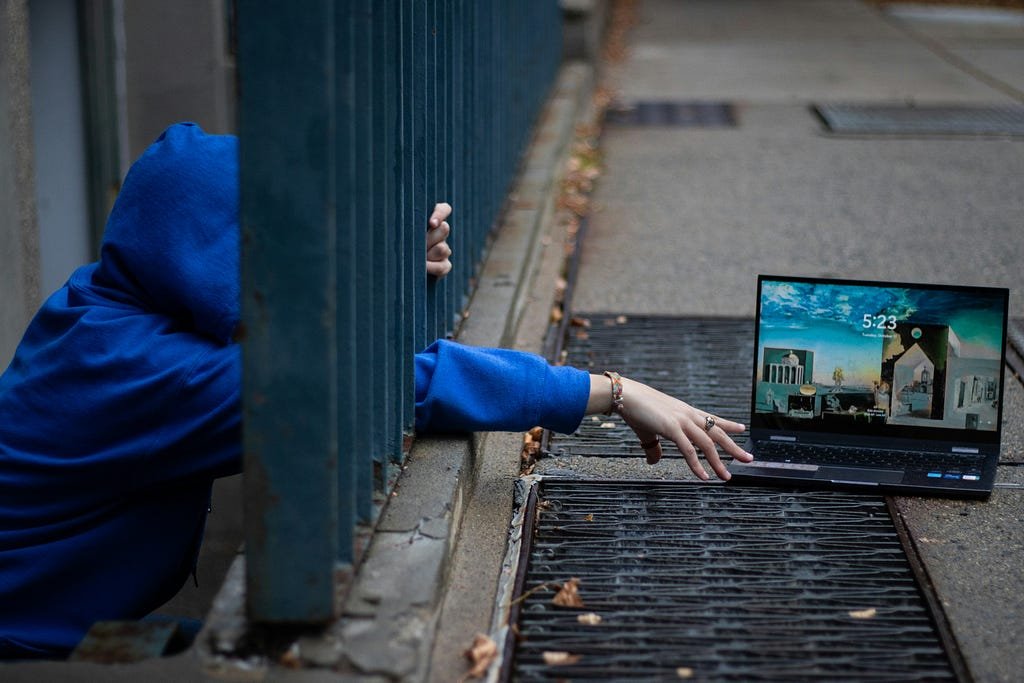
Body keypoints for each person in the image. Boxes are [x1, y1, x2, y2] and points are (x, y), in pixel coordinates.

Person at [0, 123, 750, 659]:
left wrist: (383, 265)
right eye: (267, 242)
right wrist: (613, 391)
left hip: (53, 616)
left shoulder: (102, 300)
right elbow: (382, 382)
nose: (291, 260)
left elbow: (279, 322)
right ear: (211, 254)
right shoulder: (142, 370)